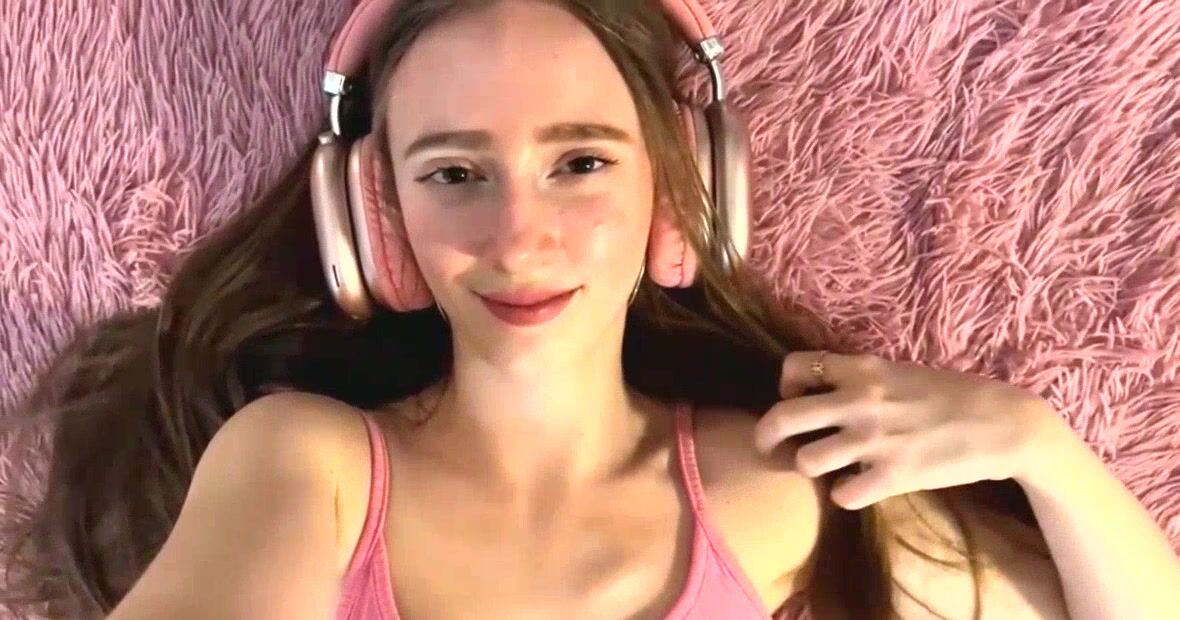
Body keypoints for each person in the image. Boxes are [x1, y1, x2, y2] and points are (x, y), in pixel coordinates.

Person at [6, 1, 1180, 619]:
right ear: (376, 219)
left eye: (579, 163)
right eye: (454, 172)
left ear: (682, 194)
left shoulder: (774, 485)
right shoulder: (306, 465)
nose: (519, 236)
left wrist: (1041, 446)